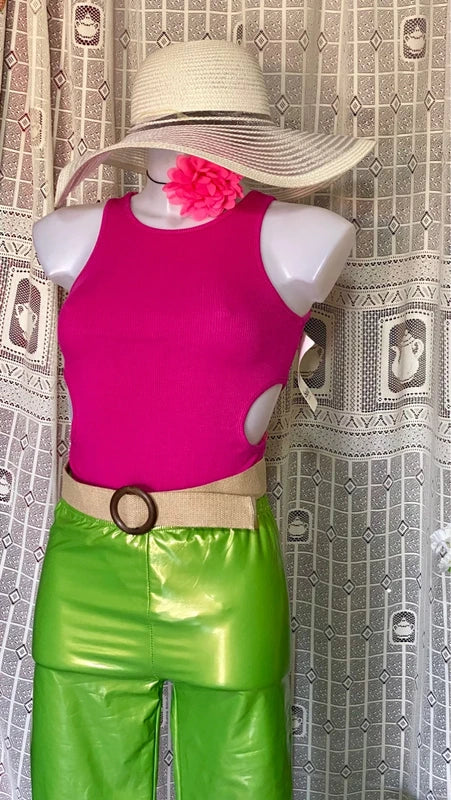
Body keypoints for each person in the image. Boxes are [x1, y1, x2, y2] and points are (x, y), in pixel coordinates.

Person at [30, 39, 375, 800]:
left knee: (237, 784)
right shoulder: (71, 234)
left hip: (224, 568)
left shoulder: (300, 235)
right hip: (85, 562)